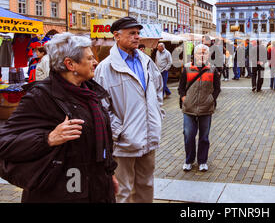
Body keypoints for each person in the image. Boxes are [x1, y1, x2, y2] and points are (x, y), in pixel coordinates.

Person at [0, 33, 118, 203]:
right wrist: (48, 138)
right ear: (70, 64)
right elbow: (5, 142)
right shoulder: (40, 97)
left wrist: (109, 173)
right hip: (61, 191)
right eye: (90, 58)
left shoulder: (90, 93)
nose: (96, 62)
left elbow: (101, 141)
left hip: (98, 187)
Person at [94, 17, 165, 203]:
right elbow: (101, 108)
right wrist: (119, 131)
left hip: (148, 138)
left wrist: (157, 116)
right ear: (117, 36)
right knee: (122, 191)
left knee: (146, 185)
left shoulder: (147, 62)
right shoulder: (105, 69)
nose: (137, 37)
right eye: (131, 33)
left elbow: (158, 91)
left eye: (138, 33)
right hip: (124, 142)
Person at [178, 44, 221, 172]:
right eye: (199, 53)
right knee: (189, 135)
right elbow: (181, 87)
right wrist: (183, 98)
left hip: (206, 108)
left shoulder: (212, 69)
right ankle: (189, 160)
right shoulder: (187, 68)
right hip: (189, 108)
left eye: (204, 53)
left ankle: (202, 161)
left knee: (204, 137)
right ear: (194, 55)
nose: (202, 55)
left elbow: (217, 88)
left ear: (208, 55)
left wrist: (211, 99)